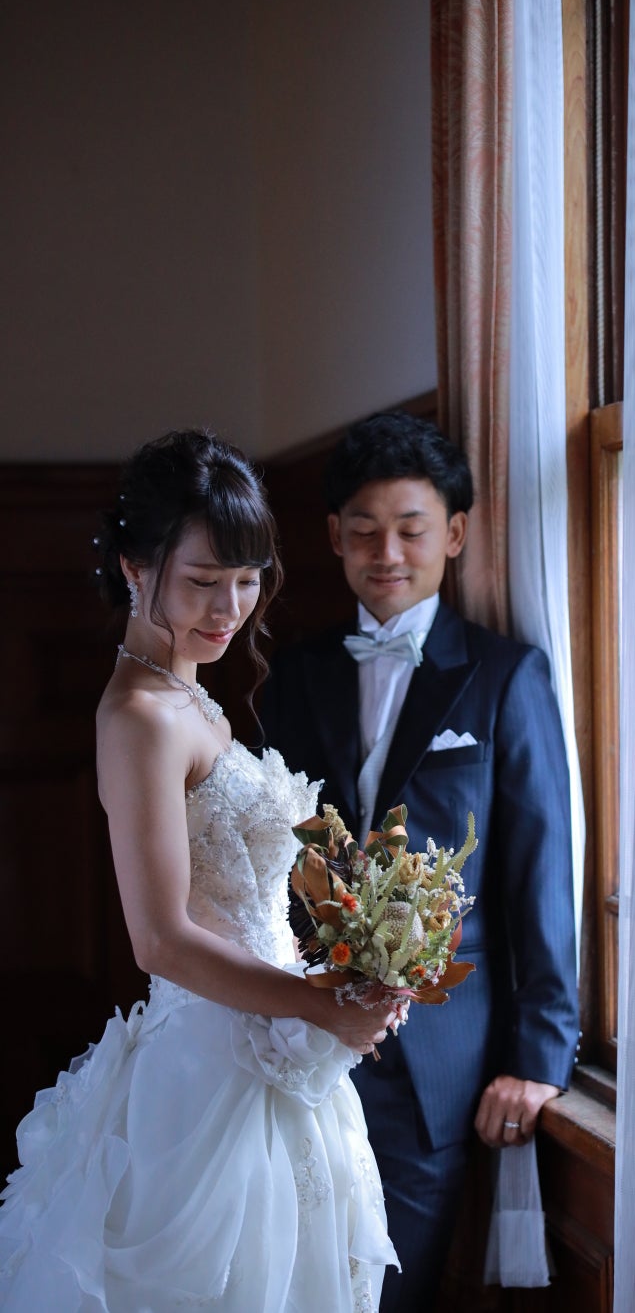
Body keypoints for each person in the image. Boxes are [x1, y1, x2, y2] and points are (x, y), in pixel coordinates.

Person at [0, 428, 401, 1312]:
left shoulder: (192, 694)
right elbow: (160, 940)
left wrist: (352, 974)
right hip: (211, 1068)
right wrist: (318, 1005)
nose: (231, 608)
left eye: (248, 579)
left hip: (281, 1047)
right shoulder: (140, 717)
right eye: (204, 581)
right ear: (135, 568)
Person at [261, 411, 580, 1311]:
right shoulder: (293, 677)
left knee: (384, 1295)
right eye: (364, 531)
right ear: (334, 536)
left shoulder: (505, 676)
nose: (387, 552)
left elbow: (539, 876)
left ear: (456, 533)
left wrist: (539, 1056)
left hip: (437, 1063)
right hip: (296, 1041)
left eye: (411, 529)